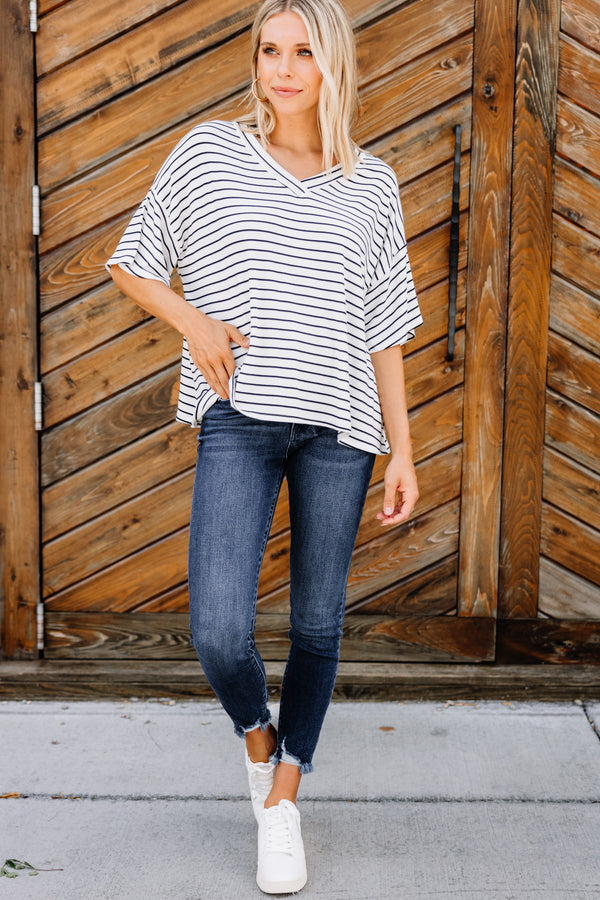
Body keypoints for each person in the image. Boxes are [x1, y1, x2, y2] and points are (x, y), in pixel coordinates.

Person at [107, 0, 422, 892]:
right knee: (217, 629)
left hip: (342, 426)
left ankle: (284, 799)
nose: (284, 69)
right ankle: (257, 741)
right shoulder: (210, 154)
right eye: (270, 51)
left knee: (319, 626)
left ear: (334, 66)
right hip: (239, 415)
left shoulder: (374, 182)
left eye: (303, 53)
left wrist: (403, 449)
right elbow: (132, 259)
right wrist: (193, 319)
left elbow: (387, 329)